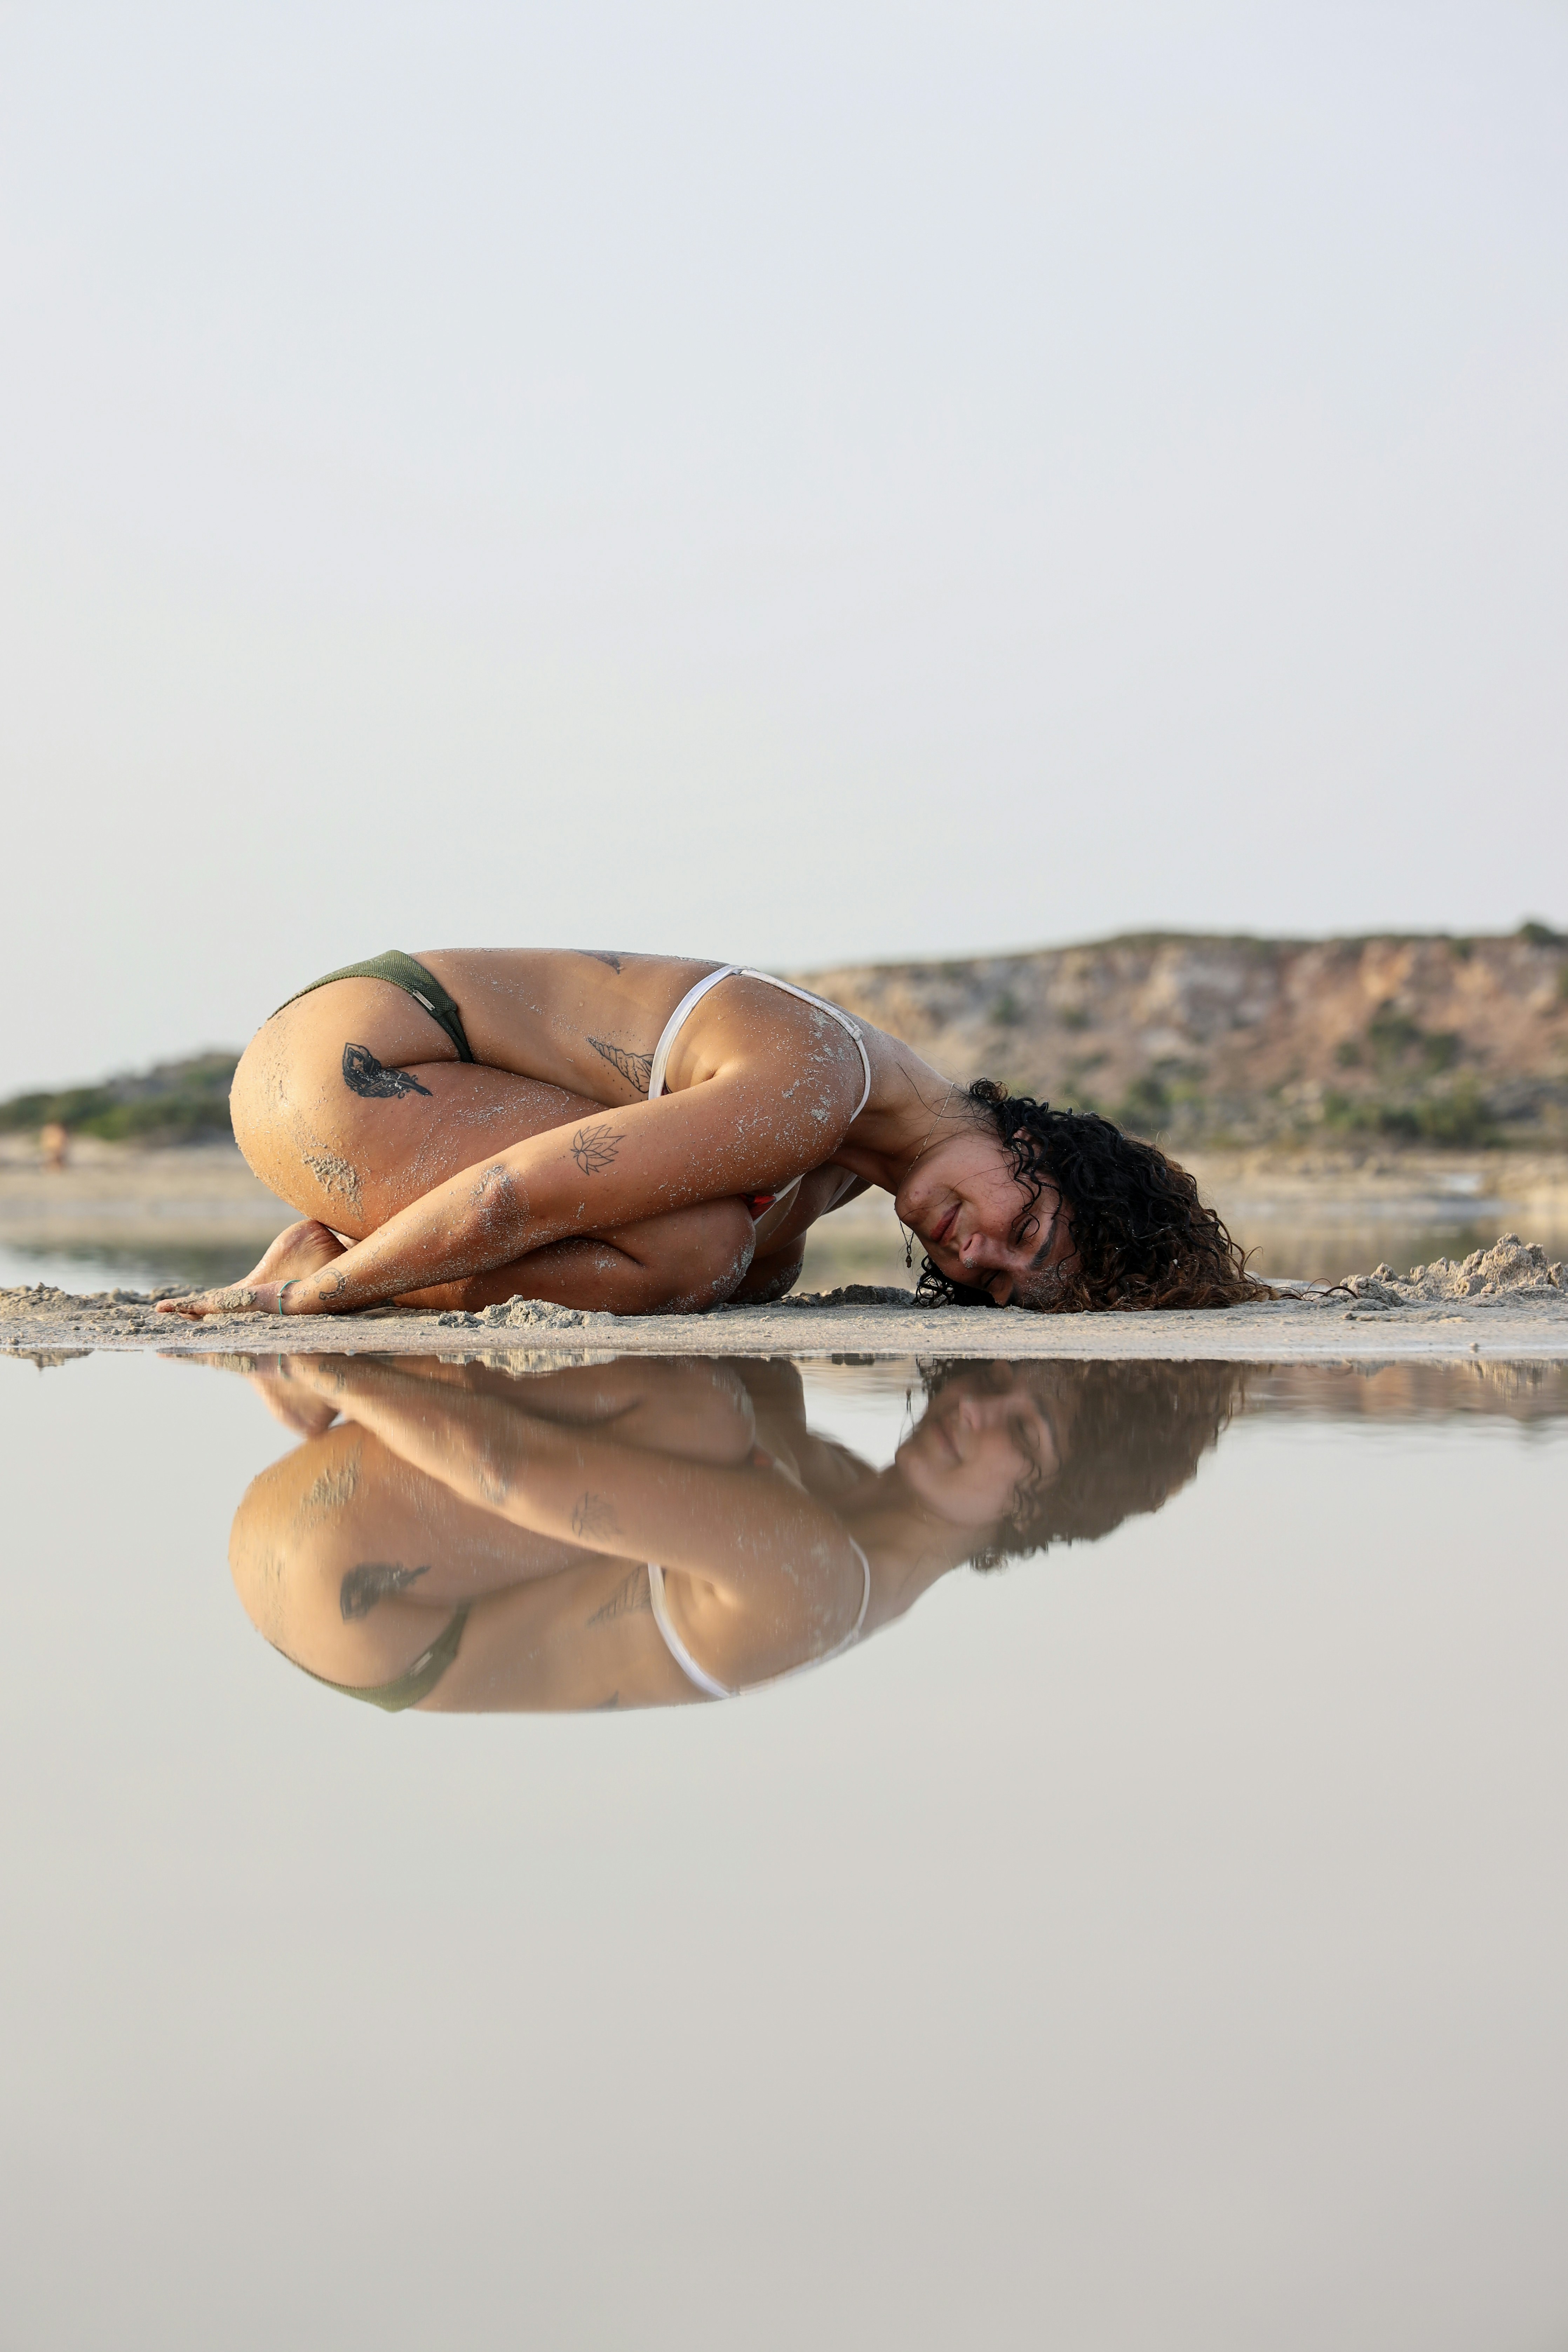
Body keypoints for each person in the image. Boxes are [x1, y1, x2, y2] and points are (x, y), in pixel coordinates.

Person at [157, 946, 1262, 1321]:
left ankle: (345, 1248)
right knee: (693, 1250)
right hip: (351, 1066)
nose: (979, 1255)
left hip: (346, 1088)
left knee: (708, 1250)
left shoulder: (843, 1152)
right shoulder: (820, 1082)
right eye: (1028, 1225)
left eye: (1004, 1284)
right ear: (1039, 1143)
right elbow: (518, 1198)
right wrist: (312, 1303)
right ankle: (328, 1257)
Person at [223, 1351, 1246, 1713]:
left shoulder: (820, 1578)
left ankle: (330, 1315)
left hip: (351, 1588)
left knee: (708, 1414)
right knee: (751, 1389)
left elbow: (516, 1473)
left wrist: (319, 1360)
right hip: (343, 1578)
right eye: (987, 1383)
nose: (969, 1409)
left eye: (1020, 1429)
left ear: (1041, 1508)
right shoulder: (842, 1489)